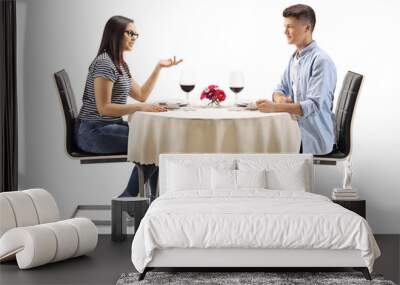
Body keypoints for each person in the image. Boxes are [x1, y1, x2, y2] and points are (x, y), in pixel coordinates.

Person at [75, 15, 182, 200]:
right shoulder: (104, 63)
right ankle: (129, 198)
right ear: (115, 34)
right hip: (94, 132)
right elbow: (104, 108)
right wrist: (140, 107)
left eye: (136, 34)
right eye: (130, 33)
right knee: (154, 145)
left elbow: (141, 94)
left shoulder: (120, 64)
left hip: (107, 127)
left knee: (158, 141)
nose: (134, 37)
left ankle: (153, 202)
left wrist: (158, 68)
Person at [256, 4, 337, 155]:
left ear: (307, 28)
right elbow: (280, 88)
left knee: (261, 148)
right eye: (285, 26)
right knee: (259, 142)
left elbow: (312, 106)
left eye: (290, 27)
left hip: (312, 137)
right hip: (295, 130)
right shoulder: (295, 57)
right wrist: (279, 98)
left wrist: (275, 107)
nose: (285, 32)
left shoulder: (321, 61)